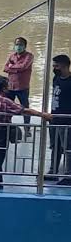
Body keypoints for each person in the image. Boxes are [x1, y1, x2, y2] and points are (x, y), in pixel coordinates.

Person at [0, 75, 52, 190]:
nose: (10, 86)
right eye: (8, 85)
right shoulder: (5, 101)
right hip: (0, 132)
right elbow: (23, 110)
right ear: (4, 88)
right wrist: (42, 114)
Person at [3, 37, 34, 137]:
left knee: (25, 108)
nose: (18, 46)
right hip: (10, 87)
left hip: (23, 87)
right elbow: (5, 68)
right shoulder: (12, 56)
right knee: (7, 108)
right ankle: (7, 126)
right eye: (17, 44)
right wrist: (16, 68)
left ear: (25, 46)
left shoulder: (29, 56)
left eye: (20, 44)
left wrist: (12, 67)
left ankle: (27, 129)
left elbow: (24, 66)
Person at [49, 54, 71, 184]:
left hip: (66, 120)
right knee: (55, 146)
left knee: (68, 147)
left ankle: (69, 174)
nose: (54, 68)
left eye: (56, 65)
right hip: (54, 118)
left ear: (64, 66)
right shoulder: (56, 78)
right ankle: (53, 170)